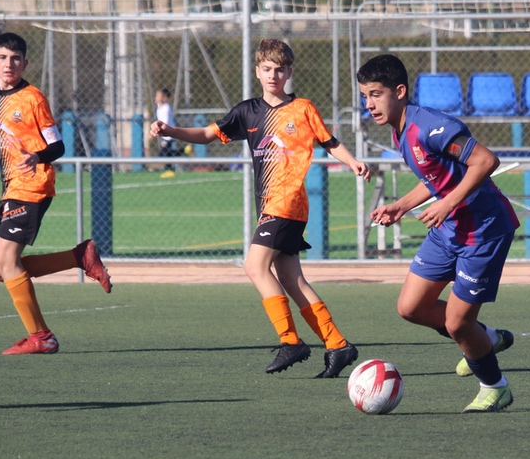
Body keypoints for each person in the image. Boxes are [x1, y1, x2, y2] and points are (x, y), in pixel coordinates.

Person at [150, 39, 371, 377]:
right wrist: (170, 130)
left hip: (288, 202)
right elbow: (208, 134)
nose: (273, 75)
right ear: (257, 71)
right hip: (269, 206)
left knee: (254, 267)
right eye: (267, 69)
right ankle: (338, 345)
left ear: (289, 72)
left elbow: (330, 143)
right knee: (292, 280)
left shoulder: (303, 109)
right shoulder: (247, 111)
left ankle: (291, 341)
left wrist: (353, 161)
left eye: (279, 69)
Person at [361, 54, 520, 413]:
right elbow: (435, 178)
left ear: (399, 91)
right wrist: (401, 206)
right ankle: (486, 337)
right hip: (448, 230)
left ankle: (495, 386)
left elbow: (486, 161)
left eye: (376, 94)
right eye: (365, 96)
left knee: (458, 323)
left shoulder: (431, 127)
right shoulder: (399, 130)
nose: (369, 104)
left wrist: (447, 203)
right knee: (411, 307)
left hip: (482, 232)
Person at [0, 32, 112, 355]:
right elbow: (3, 142)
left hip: (32, 184)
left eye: (15, 59)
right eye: (3, 58)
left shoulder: (33, 98)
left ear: (25, 63)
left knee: (7, 262)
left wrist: (36, 156)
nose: (9, 64)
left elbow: (57, 146)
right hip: (10, 187)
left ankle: (41, 336)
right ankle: (79, 256)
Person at [154, 87, 180, 177]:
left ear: (164, 98)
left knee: (163, 154)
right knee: (167, 153)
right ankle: (185, 150)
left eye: (158, 96)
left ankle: (169, 170)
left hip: (168, 134)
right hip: (163, 134)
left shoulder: (166, 108)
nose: (156, 98)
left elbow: (165, 122)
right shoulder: (159, 107)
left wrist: (160, 130)